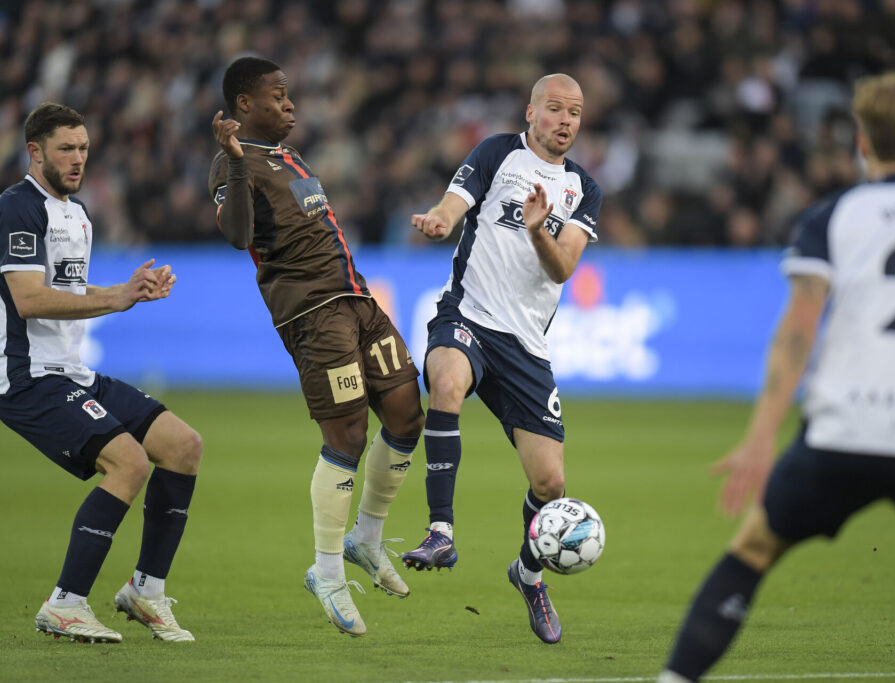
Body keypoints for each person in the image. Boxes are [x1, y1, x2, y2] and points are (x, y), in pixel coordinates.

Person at [659, 72, 895, 682]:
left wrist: (760, 437)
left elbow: (799, 329)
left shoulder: (834, 217)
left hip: (844, 431)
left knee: (752, 550)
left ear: (861, 141)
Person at [209, 57, 424, 638]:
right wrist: (232, 162)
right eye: (279, 96)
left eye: (290, 95)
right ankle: (327, 573)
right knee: (348, 435)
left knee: (407, 413)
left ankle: (366, 539)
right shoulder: (234, 163)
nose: (291, 105)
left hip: (357, 297)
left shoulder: (290, 157)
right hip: (312, 314)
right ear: (245, 104)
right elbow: (237, 237)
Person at [400, 73, 602, 644]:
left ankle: (529, 574)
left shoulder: (584, 190)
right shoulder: (497, 153)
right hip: (468, 315)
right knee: (445, 381)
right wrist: (441, 220)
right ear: (531, 111)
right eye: (556, 109)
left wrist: (540, 230)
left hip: (526, 348)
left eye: (576, 112)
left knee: (551, 483)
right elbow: (454, 201)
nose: (566, 120)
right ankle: (441, 530)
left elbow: (562, 267)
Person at [0, 103, 202, 644]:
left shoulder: (78, 213)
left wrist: (128, 291)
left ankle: (146, 591)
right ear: (35, 152)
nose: (78, 158)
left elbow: (65, 291)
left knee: (183, 445)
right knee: (129, 463)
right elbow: (26, 299)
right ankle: (64, 604)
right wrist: (115, 299)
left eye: (84, 147)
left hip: (72, 371)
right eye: (66, 148)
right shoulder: (17, 208)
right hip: (26, 377)